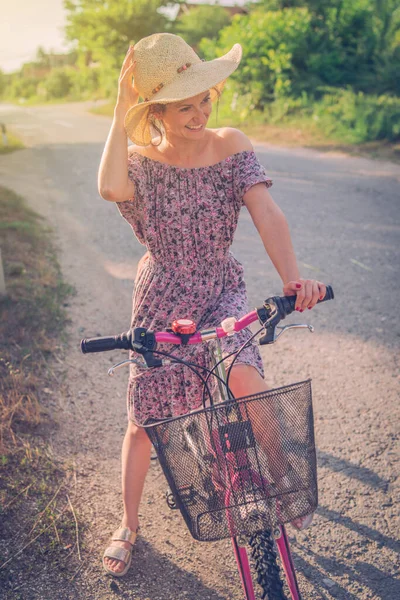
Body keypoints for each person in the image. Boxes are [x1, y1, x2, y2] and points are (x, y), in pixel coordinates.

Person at [98, 33, 327, 577]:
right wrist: (118, 105)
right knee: (145, 418)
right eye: (185, 105)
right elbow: (109, 188)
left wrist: (294, 281)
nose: (201, 111)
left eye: (205, 97)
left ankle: (282, 483)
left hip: (221, 285)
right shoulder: (139, 162)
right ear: (154, 109)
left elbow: (268, 214)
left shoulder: (231, 144)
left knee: (246, 380)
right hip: (160, 295)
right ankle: (128, 524)